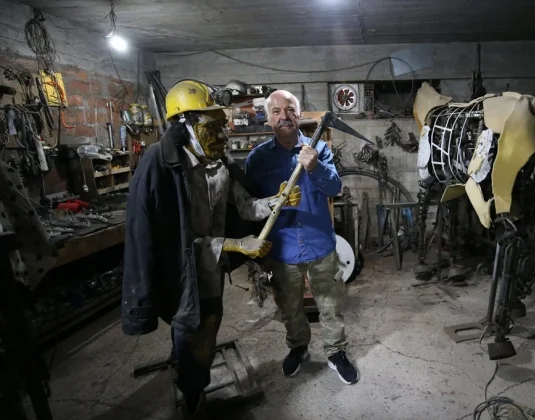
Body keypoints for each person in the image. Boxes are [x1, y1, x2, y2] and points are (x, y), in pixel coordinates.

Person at [121, 80, 301, 418]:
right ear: (184, 125)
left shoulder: (219, 164)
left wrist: (278, 200)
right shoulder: (163, 165)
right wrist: (238, 245)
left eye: (223, 125)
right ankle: (193, 398)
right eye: (212, 126)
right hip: (182, 274)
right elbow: (174, 243)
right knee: (190, 329)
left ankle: (192, 379)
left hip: (212, 268)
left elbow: (246, 208)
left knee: (209, 325)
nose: (222, 135)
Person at [245, 90, 359, 384]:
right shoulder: (257, 158)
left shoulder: (318, 148)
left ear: (299, 114)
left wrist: (314, 166)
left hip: (320, 244)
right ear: (268, 118)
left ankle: (336, 352)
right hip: (282, 249)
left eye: (290, 109)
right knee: (290, 307)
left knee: (330, 304)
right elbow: (248, 205)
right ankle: (298, 347)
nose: (284, 116)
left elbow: (335, 188)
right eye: (276, 111)